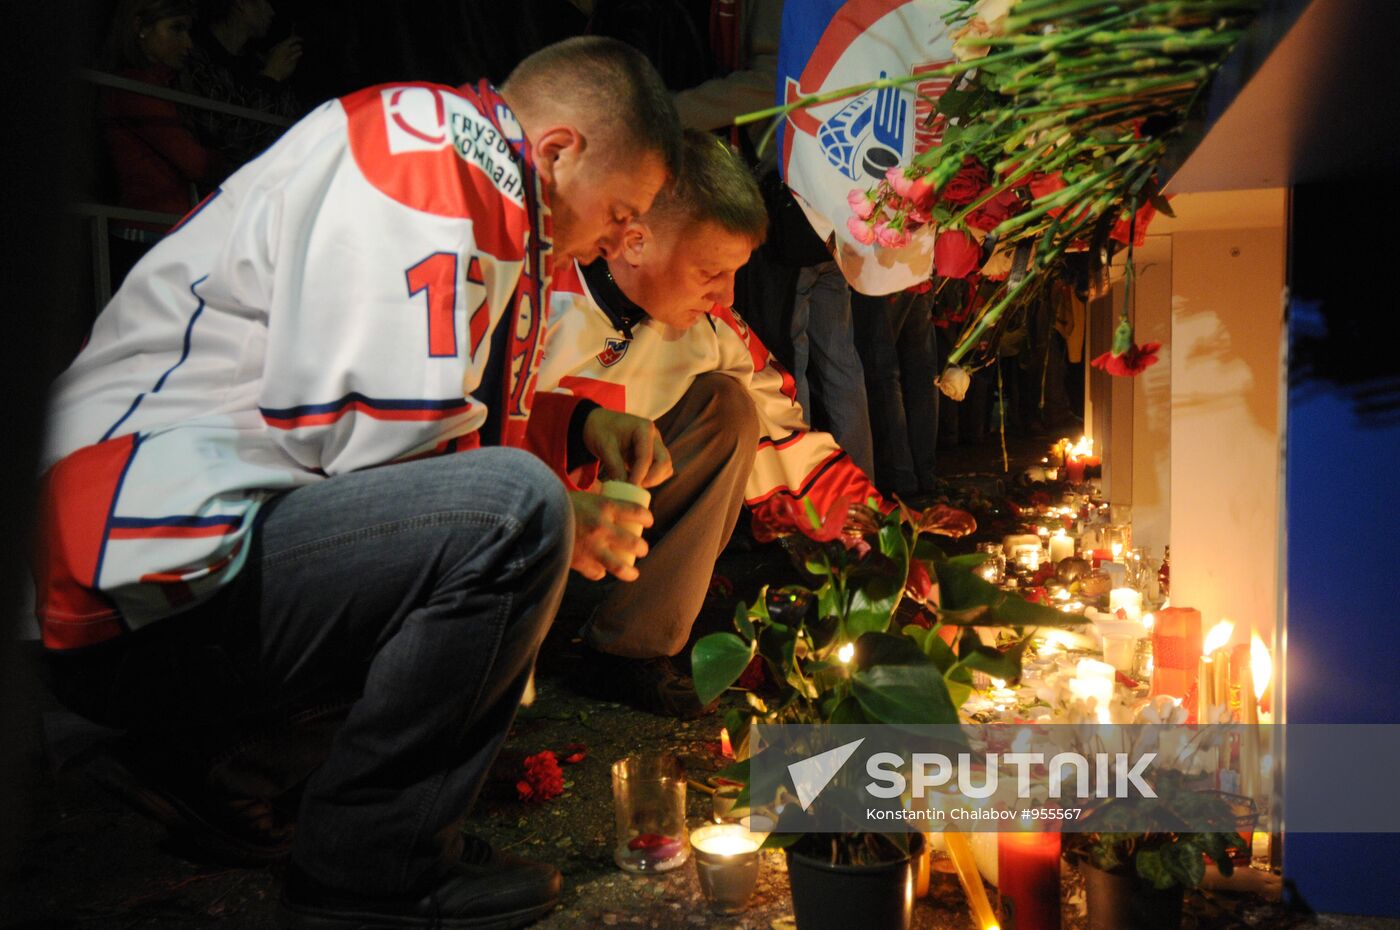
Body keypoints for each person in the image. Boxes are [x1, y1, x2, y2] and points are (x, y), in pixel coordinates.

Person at [36, 37, 680, 930]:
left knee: (511, 511)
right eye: (623, 209)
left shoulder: (482, 177)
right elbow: (385, 454)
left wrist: (576, 426)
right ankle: (371, 868)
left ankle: (214, 771)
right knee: (515, 516)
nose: (625, 236)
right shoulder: (433, 152)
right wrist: (560, 512)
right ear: (561, 150)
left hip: (162, 556)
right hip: (130, 569)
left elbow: (433, 424)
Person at [531, 131, 928, 717]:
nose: (727, 294)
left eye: (737, 271)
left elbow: (789, 439)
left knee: (730, 407)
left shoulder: (711, 325)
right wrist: (575, 440)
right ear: (634, 242)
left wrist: (882, 544)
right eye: (710, 271)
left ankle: (629, 648)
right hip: (509, 509)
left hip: (609, 509)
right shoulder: (537, 293)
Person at [97, 0, 211, 285]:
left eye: (188, 31)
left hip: (162, 233)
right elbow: (195, 163)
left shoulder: (161, 87)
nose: (188, 44)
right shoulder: (133, 88)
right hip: (145, 235)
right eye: (176, 29)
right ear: (141, 28)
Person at [178, 0, 303, 173]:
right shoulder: (196, 62)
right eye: (265, 2)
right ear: (241, 4)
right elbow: (230, 141)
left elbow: (290, 128)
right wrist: (270, 79)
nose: (272, 12)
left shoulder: (257, 62)